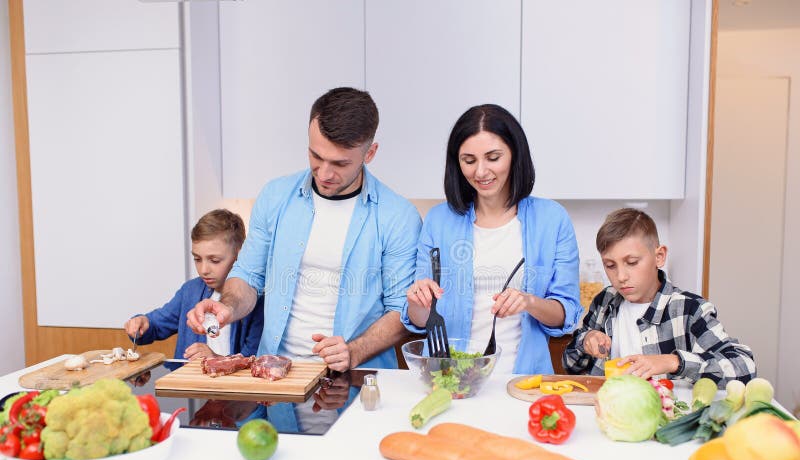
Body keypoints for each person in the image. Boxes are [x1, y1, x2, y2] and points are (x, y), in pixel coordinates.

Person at [187, 87, 421, 371]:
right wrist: (228, 307)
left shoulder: (398, 217)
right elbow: (248, 275)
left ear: (369, 153)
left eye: (340, 163)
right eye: (316, 156)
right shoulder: (275, 197)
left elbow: (401, 310)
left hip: (357, 380)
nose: (324, 173)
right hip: (274, 376)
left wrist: (354, 351)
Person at [404, 104, 581, 375]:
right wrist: (418, 301)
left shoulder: (552, 219)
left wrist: (529, 302)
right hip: (448, 377)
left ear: (514, 154)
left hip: (522, 379)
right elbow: (421, 319)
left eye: (493, 157)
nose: (481, 172)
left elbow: (565, 314)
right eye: (469, 160)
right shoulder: (438, 220)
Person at [562, 208, 756, 386]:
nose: (620, 277)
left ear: (659, 256)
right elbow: (570, 365)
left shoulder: (689, 310)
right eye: (610, 265)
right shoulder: (605, 301)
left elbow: (745, 367)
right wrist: (585, 340)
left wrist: (673, 362)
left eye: (632, 262)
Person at [124, 209, 264, 360]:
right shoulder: (190, 291)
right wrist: (142, 323)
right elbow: (156, 325)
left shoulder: (255, 301)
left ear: (239, 255)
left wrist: (215, 359)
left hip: (228, 383)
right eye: (197, 259)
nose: (204, 270)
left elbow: (252, 360)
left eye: (214, 260)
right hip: (185, 382)